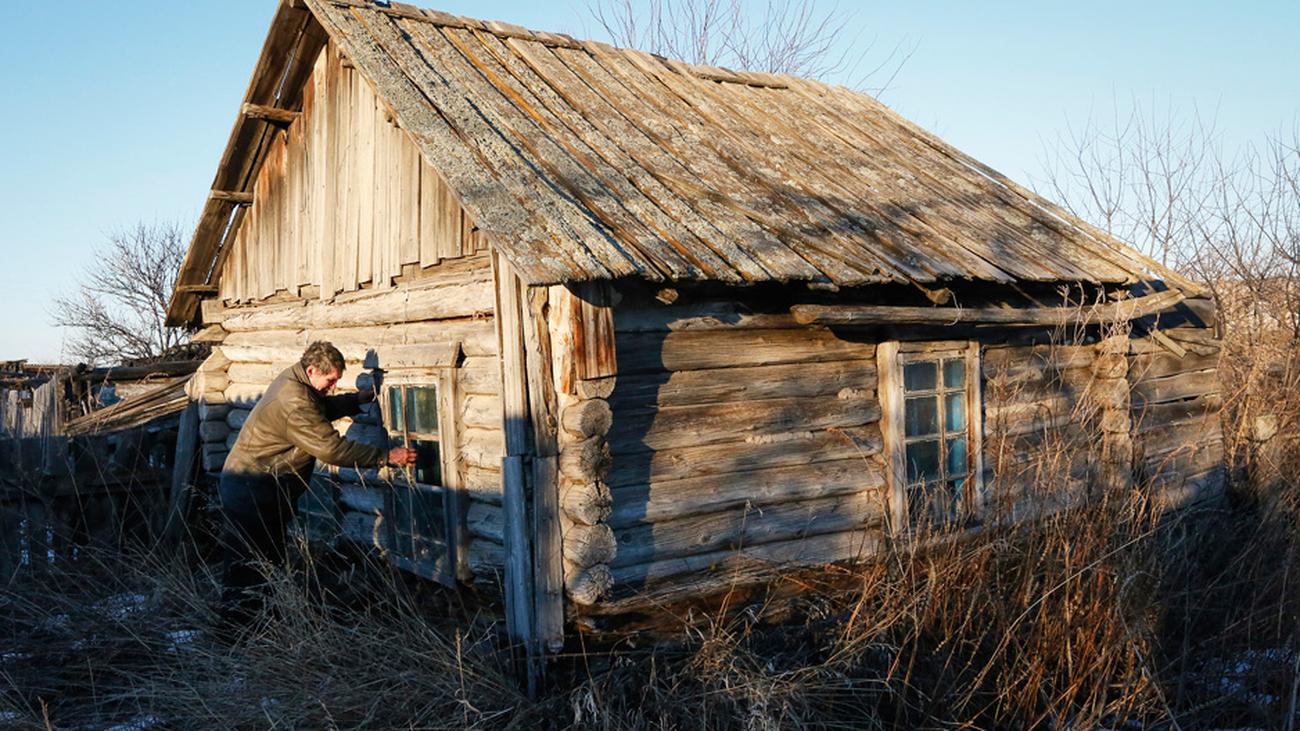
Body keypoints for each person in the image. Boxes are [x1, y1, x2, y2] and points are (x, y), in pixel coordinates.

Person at [217, 340, 416, 625]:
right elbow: (331, 449)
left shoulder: (297, 382)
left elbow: (318, 406)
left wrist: (353, 401)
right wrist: (386, 455)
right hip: (253, 489)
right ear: (312, 370)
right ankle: (235, 633)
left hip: (257, 486)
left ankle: (262, 624)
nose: (333, 386)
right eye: (331, 380)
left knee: (265, 561)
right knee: (248, 566)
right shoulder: (294, 401)